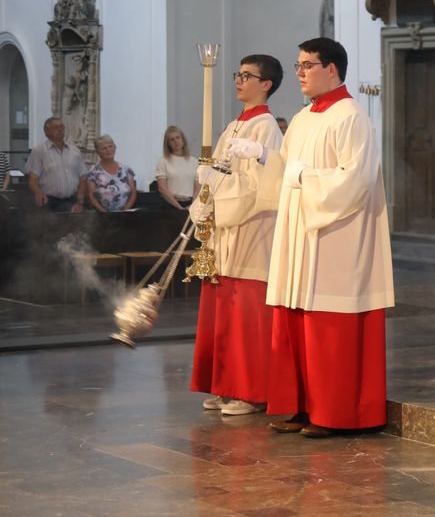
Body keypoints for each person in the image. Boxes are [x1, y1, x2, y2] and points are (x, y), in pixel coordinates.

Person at [263, 37, 394, 437]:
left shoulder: (351, 116)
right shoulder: (303, 118)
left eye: (307, 65)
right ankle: (302, 405)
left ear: (331, 68)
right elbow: (282, 174)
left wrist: (302, 177)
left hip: (336, 235)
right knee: (298, 319)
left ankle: (335, 412)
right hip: (301, 236)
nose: (299, 73)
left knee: (328, 327)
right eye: (298, 65)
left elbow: (355, 181)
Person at [189, 54, 285, 418]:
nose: (238, 81)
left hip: (250, 230)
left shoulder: (266, 129)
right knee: (222, 310)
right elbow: (220, 174)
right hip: (225, 232)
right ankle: (225, 385)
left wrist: (219, 197)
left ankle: (249, 391)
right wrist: (203, 194)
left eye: (247, 75)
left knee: (246, 315)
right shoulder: (232, 125)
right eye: (237, 74)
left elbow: (259, 186)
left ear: (267, 84)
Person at [26, 117, 85, 212]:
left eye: (62, 126)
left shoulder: (75, 151)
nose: (60, 129)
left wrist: (80, 198)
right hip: (49, 201)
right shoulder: (39, 151)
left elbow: (82, 177)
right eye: (56, 127)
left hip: (71, 201)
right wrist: (38, 192)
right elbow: (32, 179)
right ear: (46, 131)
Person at [84, 135, 137, 212]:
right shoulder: (93, 171)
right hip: (101, 216)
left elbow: (133, 193)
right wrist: (106, 214)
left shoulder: (126, 169)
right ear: (98, 152)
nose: (108, 150)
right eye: (104, 148)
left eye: (110, 146)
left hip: (125, 215)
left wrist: (124, 212)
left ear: (114, 148)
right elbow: (91, 196)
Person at [155, 126, 199, 210]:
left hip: (190, 204)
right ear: (168, 143)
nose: (176, 141)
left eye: (177, 137)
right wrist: (179, 208)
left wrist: (192, 205)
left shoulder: (194, 161)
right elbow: (162, 188)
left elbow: (198, 187)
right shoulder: (164, 162)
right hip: (170, 204)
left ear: (183, 139)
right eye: (172, 139)